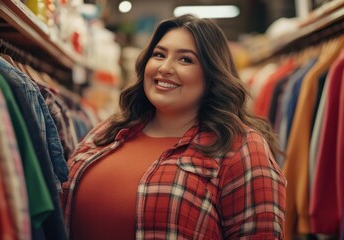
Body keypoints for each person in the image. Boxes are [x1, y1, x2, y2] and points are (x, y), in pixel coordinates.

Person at [61, 14, 286, 239]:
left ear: (211, 75)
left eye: (185, 60)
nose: (165, 68)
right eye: (159, 55)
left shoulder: (240, 148)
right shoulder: (109, 130)